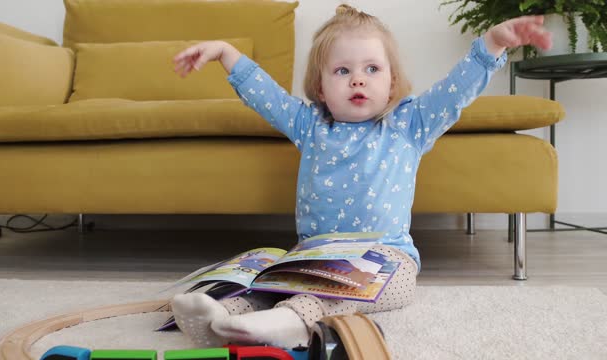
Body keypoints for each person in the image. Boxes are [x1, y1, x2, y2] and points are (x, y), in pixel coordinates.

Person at [170, 4, 552, 349]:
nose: (358, 80)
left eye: (372, 69)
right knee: (270, 284)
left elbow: (455, 91)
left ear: (391, 83)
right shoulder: (310, 125)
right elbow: (265, 94)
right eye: (342, 70)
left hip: (385, 258)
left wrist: (492, 45)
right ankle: (224, 316)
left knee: (393, 284)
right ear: (321, 87)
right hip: (314, 257)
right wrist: (225, 53)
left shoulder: (409, 125)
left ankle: (294, 320)